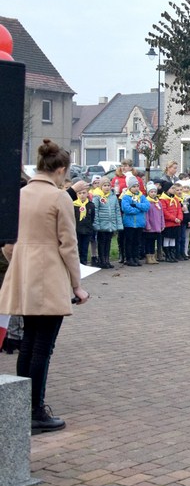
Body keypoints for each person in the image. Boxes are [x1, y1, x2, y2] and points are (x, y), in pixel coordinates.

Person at [0, 139, 90, 432]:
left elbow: (8, 244)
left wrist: (21, 259)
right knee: (43, 347)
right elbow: (68, 245)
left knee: (27, 342)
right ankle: (35, 409)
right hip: (49, 274)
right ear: (61, 169)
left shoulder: (21, 194)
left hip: (24, 273)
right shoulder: (59, 197)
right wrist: (77, 285)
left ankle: (20, 403)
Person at [120, 176, 150, 267]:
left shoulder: (141, 196)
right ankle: (129, 258)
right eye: (134, 186)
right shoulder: (126, 197)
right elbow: (126, 209)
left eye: (137, 186)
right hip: (129, 223)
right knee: (129, 241)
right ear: (129, 187)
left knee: (137, 241)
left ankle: (135, 257)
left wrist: (136, 205)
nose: (136, 188)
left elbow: (147, 206)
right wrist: (139, 210)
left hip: (139, 223)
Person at [70, 181, 96, 266]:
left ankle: (84, 262)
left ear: (87, 193)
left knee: (84, 248)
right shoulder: (73, 205)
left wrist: (89, 227)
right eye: (79, 193)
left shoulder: (90, 205)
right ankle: (77, 264)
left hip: (87, 229)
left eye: (84, 193)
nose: (82, 195)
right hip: (76, 229)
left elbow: (92, 217)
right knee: (77, 248)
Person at [143, 182, 166, 265]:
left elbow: (161, 214)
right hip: (150, 227)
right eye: (151, 192)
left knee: (153, 242)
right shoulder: (147, 202)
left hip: (157, 226)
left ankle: (153, 256)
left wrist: (162, 224)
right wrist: (147, 225)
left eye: (154, 192)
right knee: (148, 242)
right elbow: (146, 215)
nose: (153, 193)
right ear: (148, 193)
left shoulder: (158, 202)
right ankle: (148, 256)